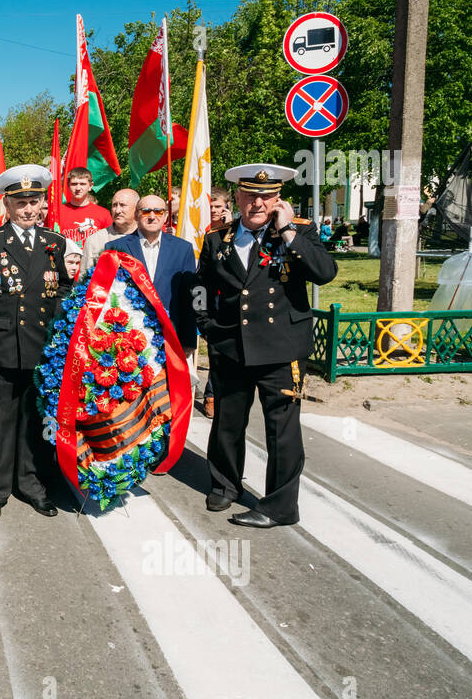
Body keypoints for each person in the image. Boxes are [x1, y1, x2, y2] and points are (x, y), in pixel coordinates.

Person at [191, 164, 338, 529]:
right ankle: (225, 484)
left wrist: (287, 231)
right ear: (237, 197)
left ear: (278, 199)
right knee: (227, 422)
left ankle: (280, 506)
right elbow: (200, 288)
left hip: (281, 349)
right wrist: (207, 326)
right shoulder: (216, 238)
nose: (257, 203)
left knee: (282, 430)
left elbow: (325, 272)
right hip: (231, 346)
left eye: (266, 196)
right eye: (250, 195)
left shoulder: (297, 233)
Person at [0, 164, 72, 522]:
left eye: (34, 202)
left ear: (42, 204)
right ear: (7, 206)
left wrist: (62, 344)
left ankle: (32, 485)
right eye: (21, 202)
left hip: (41, 350)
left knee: (35, 424)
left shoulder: (54, 244)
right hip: (0, 350)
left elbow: (61, 295)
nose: (28, 209)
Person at [105, 194, 199, 360]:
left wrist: (189, 341)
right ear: (136, 215)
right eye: (146, 211)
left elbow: (189, 298)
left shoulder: (182, 249)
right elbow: (107, 295)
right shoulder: (115, 247)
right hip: (127, 340)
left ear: (165, 216)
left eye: (158, 211)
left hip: (171, 338)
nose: (152, 216)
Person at [200, 188, 234, 420]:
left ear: (227, 207)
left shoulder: (232, 230)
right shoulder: (198, 226)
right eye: (210, 206)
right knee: (214, 349)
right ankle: (212, 394)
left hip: (226, 297)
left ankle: (215, 393)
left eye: (218, 206)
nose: (214, 210)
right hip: (205, 293)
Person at [82, 188, 139, 272]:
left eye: (122, 205)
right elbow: (84, 278)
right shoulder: (95, 240)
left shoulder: (147, 238)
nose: (117, 210)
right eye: (114, 205)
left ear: (137, 209)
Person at [57, 167, 112, 247]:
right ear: (68, 185)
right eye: (74, 184)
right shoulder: (57, 212)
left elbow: (110, 242)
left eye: (82, 184)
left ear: (90, 186)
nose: (78, 188)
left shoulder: (103, 213)